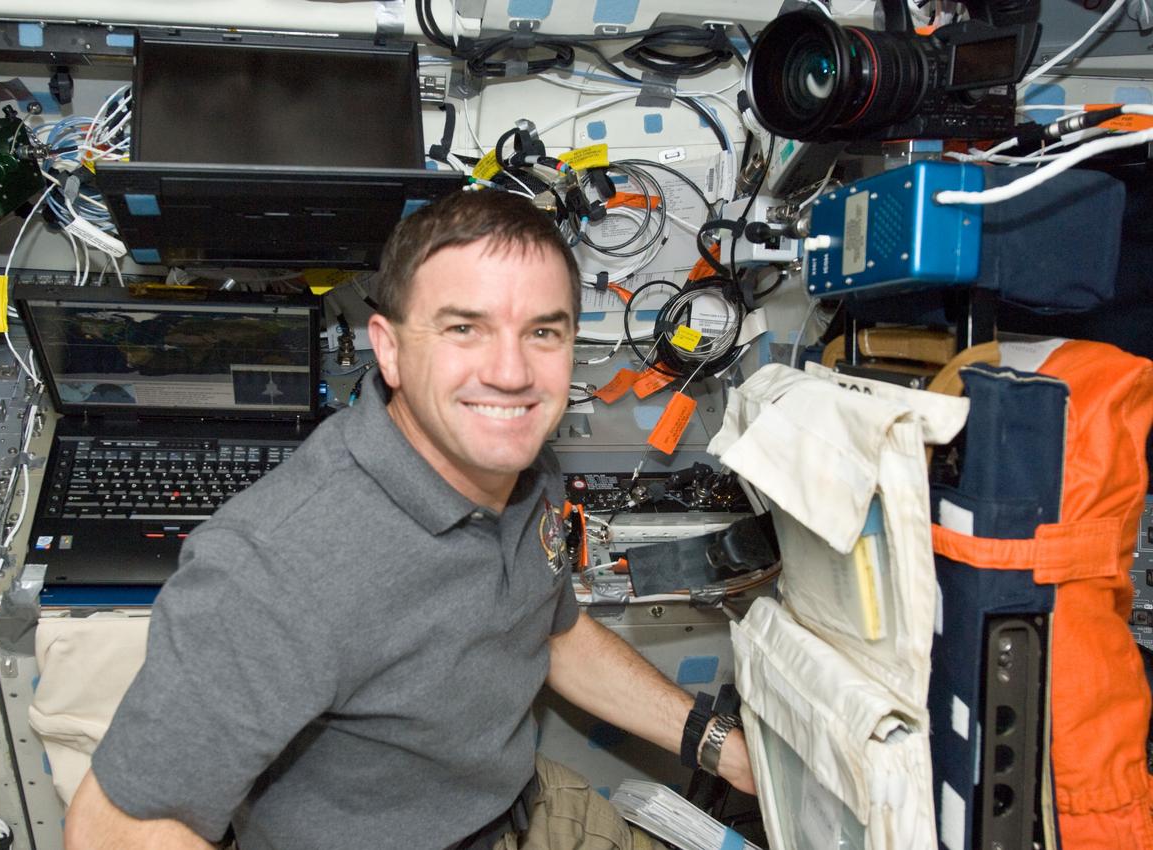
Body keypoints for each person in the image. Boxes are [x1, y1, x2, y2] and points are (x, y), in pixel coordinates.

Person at [64, 190, 754, 850]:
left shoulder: (523, 464)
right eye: (464, 328)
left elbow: (552, 631)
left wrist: (721, 747)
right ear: (389, 350)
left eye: (542, 331)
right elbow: (116, 831)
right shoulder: (277, 567)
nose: (512, 373)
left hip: (526, 806)